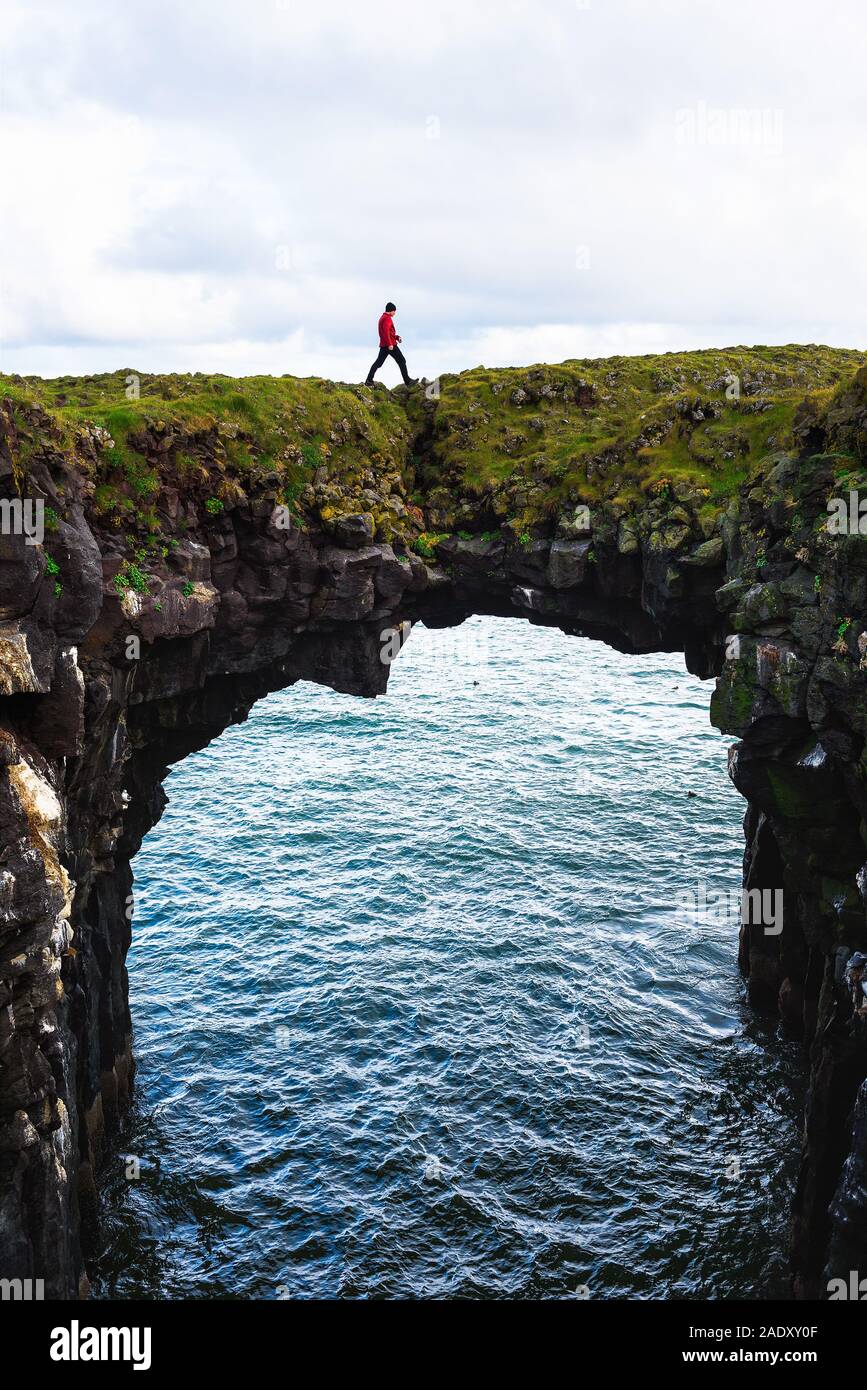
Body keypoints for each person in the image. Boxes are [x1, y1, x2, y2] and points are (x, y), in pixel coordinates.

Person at [365, 302, 417, 386]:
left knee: (379, 363)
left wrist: (396, 337)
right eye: (394, 311)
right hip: (390, 345)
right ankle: (408, 381)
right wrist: (390, 344)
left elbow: (388, 332)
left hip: (384, 344)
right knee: (402, 360)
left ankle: (369, 380)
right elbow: (385, 332)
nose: (395, 313)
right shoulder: (387, 318)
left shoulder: (383, 317)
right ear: (390, 310)